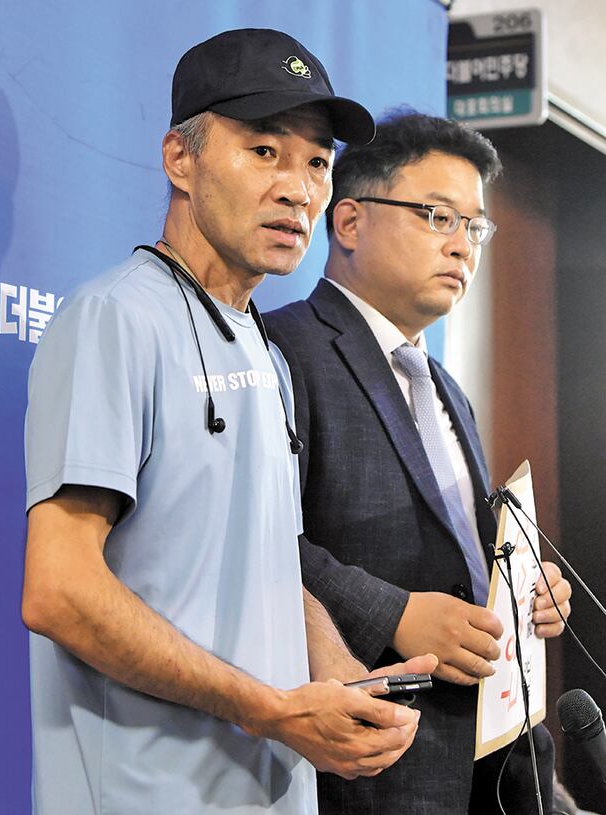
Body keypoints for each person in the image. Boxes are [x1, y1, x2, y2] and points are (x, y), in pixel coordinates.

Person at [21, 33, 436, 815]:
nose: (298, 189)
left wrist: (335, 669)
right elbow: (59, 589)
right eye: (264, 151)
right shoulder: (114, 318)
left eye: (317, 163)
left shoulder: (265, 349)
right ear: (180, 159)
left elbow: (266, 561)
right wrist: (269, 709)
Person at [264, 111, 572, 814]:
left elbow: (460, 555)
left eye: (475, 227)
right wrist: (395, 613)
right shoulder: (282, 349)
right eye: (438, 217)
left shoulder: (446, 388)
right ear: (349, 221)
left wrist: (524, 590)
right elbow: (258, 540)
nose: (462, 245)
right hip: (374, 764)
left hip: (494, 757)